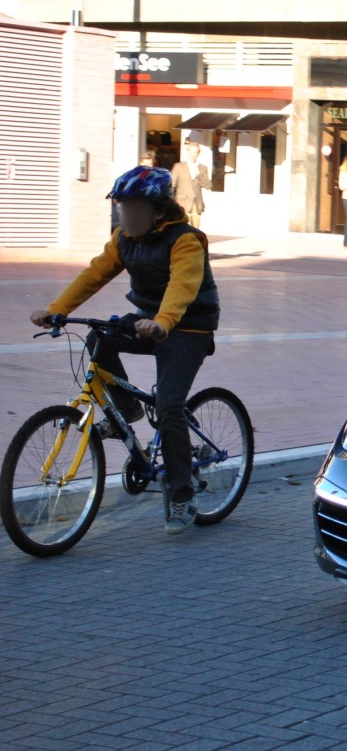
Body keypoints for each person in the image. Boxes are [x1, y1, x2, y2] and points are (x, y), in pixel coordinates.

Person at [29, 166, 219, 535]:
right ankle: (128, 409)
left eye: (132, 208)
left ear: (158, 211)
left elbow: (183, 285)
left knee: (168, 408)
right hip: (151, 321)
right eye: (121, 207)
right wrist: (58, 309)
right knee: (100, 337)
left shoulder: (185, 240)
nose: (124, 215)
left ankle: (182, 494)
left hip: (188, 328)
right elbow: (94, 275)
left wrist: (163, 321)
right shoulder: (123, 239)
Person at [170, 142, 210, 229]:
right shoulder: (178, 167)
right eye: (192, 152)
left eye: (196, 152)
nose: (194, 155)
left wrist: (200, 175)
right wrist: (171, 203)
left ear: (198, 154)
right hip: (182, 203)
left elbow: (208, 186)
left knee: (196, 231)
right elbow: (171, 185)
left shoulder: (203, 168)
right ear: (188, 152)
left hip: (197, 204)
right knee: (183, 229)